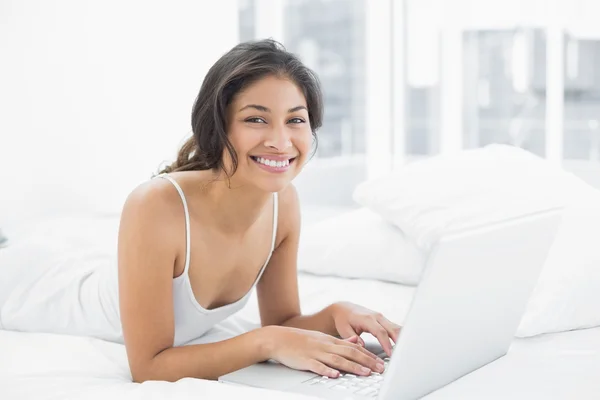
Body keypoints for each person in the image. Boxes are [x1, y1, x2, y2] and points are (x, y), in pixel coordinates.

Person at [0, 39, 401, 383]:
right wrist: (267, 343)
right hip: (28, 286)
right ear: (218, 126)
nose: (281, 141)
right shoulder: (155, 204)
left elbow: (281, 320)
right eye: (256, 119)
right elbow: (148, 367)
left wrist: (336, 313)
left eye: (295, 120)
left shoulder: (284, 203)